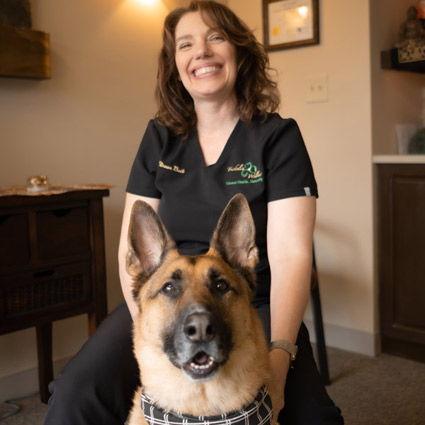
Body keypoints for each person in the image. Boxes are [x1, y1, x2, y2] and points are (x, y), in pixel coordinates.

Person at [44, 1, 344, 424]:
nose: (200, 52)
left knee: (311, 417)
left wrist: (280, 358)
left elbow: (292, 256)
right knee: (76, 392)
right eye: (185, 45)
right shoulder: (159, 138)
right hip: (164, 295)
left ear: (239, 51)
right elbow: (132, 254)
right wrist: (153, 333)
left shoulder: (278, 138)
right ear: (175, 65)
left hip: (247, 298)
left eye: (215, 38)